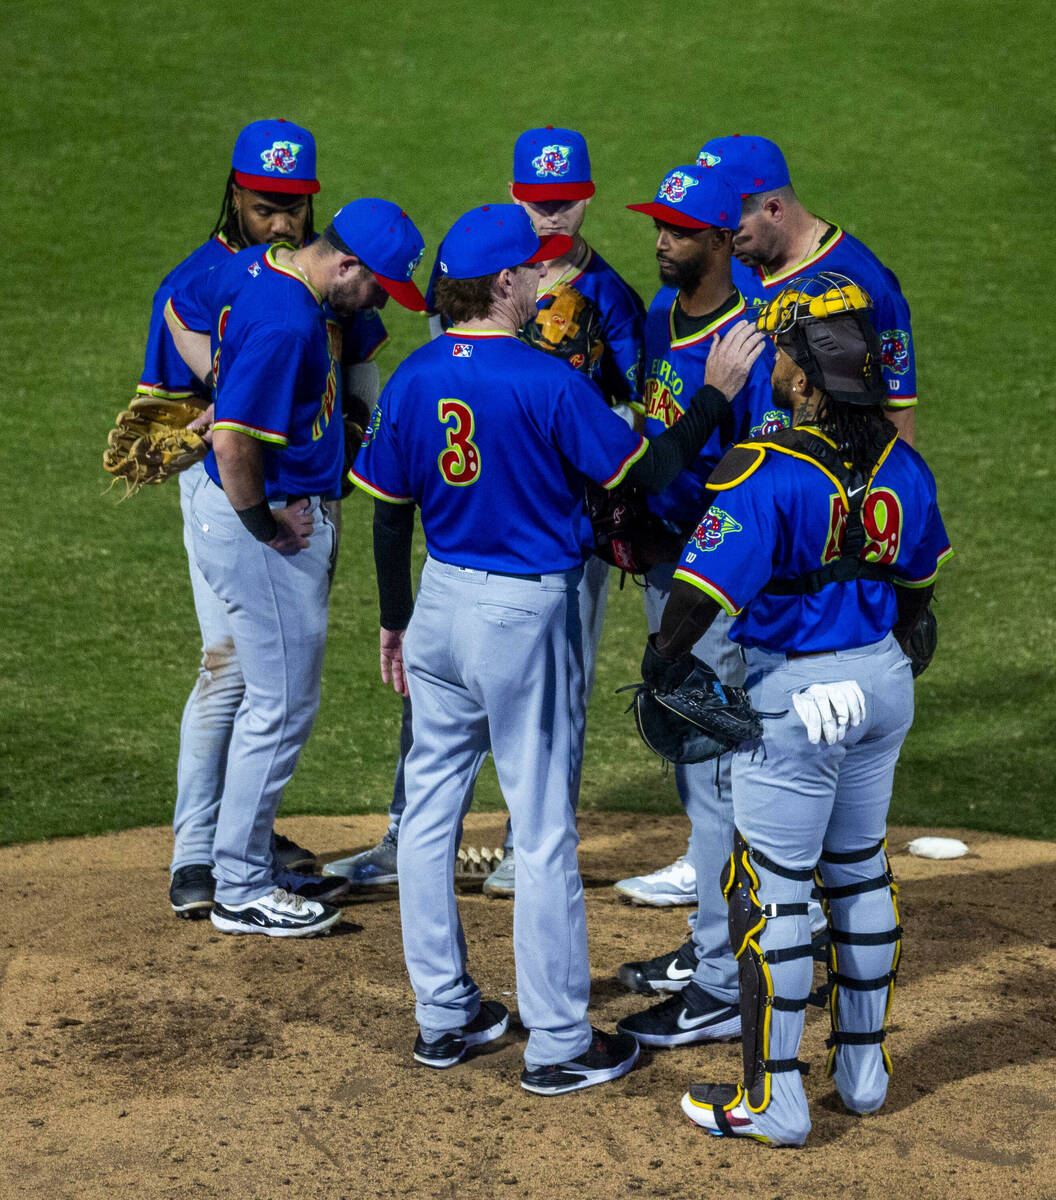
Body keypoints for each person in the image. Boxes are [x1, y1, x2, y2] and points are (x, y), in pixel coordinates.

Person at [349, 203, 765, 1091]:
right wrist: (714, 399)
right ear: (503, 285)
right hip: (521, 616)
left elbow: (389, 515)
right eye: (533, 270)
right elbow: (647, 472)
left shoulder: (416, 375)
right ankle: (560, 1042)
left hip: (438, 606)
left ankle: (445, 1016)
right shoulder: (546, 382)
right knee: (540, 829)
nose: (546, 280)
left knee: (427, 815)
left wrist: (394, 618)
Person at [635, 273, 951, 1144]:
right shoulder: (905, 465)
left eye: (781, 352)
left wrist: (662, 666)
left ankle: (773, 1101)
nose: (774, 362)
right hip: (882, 684)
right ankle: (863, 1071)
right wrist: (882, 646)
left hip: (799, 696)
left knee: (768, 891)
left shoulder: (767, 470)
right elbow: (920, 593)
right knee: (857, 868)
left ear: (807, 378)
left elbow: (698, 595)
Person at [325, 125, 648, 900]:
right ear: (514, 198)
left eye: (564, 204)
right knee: (444, 706)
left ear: (587, 199)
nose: (551, 219)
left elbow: (640, 410)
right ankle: (409, 837)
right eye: (536, 204)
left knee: (554, 699)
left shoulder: (613, 300)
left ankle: (521, 847)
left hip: (564, 530)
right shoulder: (476, 269)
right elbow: (459, 365)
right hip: (469, 524)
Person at [143, 119, 387, 919]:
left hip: (294, 490)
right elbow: (177, 324)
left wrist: (355, 425)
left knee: (259, 675)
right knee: (235, 672)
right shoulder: (226, 275)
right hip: (247, 499)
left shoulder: (309, 272)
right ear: (236, 195)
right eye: (263, 206)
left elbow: (362, 353)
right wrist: (222, 395)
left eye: (293, 207)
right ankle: (205, 861)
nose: (279, 222)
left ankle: (232, 847)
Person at [180, 199, 426, 937]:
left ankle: (238, 863)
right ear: (346, 264)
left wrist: (224, 392)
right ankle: (242, 885)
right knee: (281, 705)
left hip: (251, 511)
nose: (381, 303)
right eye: (379, 286)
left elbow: (183, 306)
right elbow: (232, 445)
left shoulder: (259, 268)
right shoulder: (291, 321)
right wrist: (265, 521)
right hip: (264, 523)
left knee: (268, 697)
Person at [613, 166, 785, 1016]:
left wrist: (670, 487)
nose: (661, 241)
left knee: (720, 769)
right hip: (660, 568)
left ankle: (724, 977)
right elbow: (655, 435)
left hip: (716, 586)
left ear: (722, 239)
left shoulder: (752, 340)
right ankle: (738, 938)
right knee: (696, 765)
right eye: (658, 226)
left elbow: (759, 476)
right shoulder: (654, 319)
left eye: (679, 231)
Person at [696, 134, 918, 443]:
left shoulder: (862, 281)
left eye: (732, 228)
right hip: (742, 476)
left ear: (773, 209)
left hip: (820, 479)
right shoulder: (728, 260)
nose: (722, 241)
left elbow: (897, 406)